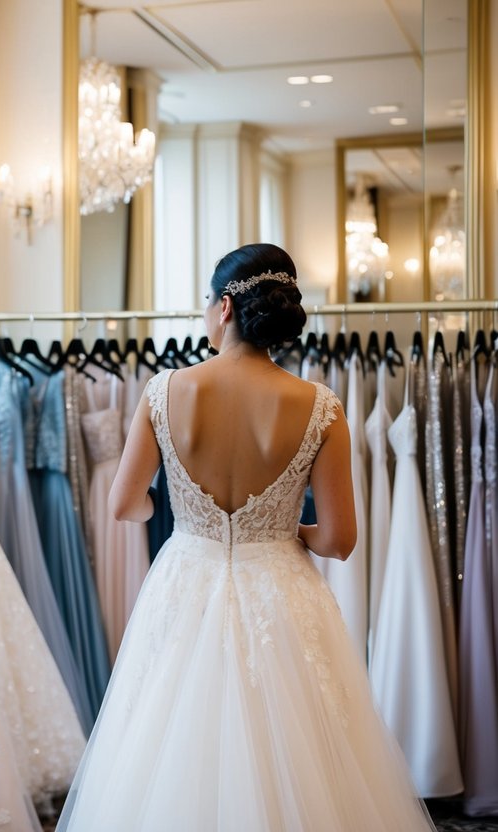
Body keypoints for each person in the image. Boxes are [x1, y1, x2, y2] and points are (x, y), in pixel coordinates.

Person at [56, 243, 434, 830]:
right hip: (279, 589)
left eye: (206, 303)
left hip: (186, 581)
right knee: (297, 753)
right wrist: (289, 530)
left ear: (226, 307)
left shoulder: (164, 392)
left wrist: (175, 509)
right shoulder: (321, 408)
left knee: (169, 747)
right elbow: (339, 540)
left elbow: (124, 505)